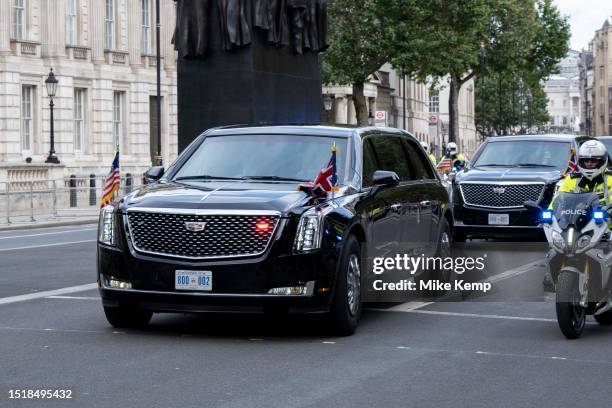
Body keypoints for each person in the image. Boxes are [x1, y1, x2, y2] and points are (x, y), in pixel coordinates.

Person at [550, 140, 612, 209]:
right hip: (575, 218)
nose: (589, 163)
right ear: (581, 161)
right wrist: (551, 211)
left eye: (593, 160)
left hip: (606, 218)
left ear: (601, 161)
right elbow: (557, 200)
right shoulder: (571, 179)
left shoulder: (610, 178)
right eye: (586, 160)